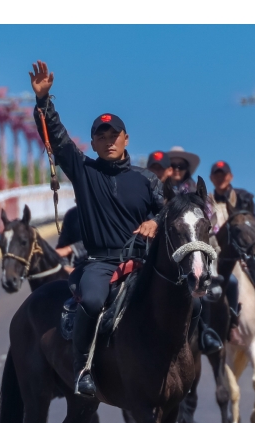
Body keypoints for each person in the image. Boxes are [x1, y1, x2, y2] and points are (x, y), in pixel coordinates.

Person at [30, 60, 164, 397]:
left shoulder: (147, 180)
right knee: (91, 300)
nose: (108, 141)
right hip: (101, 264)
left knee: (187, 294)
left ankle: (194, 351)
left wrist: (155, 221)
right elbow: (57, 140)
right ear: (91, 143)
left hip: (145, 262)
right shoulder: (84, 172)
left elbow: (168, 215)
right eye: (100, 136)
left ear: (126, 138)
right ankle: (81, 370)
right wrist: (44, 101)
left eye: (113, 135)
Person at [208, 160, 255, 341]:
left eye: (223, 174)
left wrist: (247, 252)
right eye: (216, 174)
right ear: (211, 178)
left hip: (244, 250)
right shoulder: (207, 201)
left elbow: (252, 226)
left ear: (230, 176)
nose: (220, 178)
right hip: (217, 253)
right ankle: (208, 329)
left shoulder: (244, 197)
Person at [56, 205, 87, 271]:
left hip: (106, 266)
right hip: (79, 268)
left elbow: (106, 239)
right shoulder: (72, 214)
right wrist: (65, 267)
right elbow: (62, 248)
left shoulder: (107, 208)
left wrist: (71, 249)